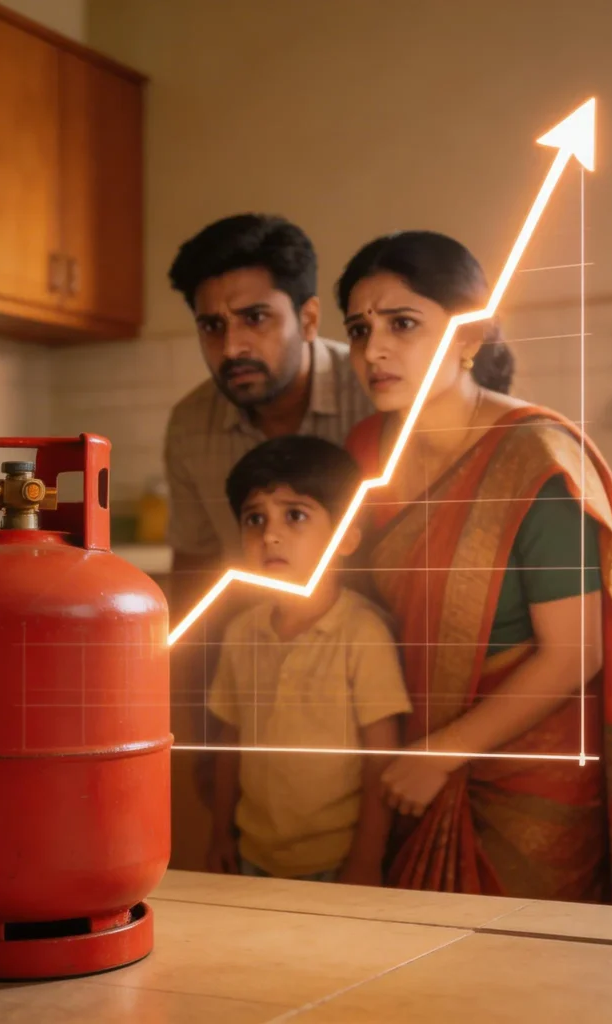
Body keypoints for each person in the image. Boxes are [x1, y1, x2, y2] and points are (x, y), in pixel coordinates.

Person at [336, 229, 612, 909]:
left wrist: (441, 754)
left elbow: (575, 651)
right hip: (400, 761)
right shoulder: (364, 454)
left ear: (470, 336)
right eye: (359, 330)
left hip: (522, 775)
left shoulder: (534, 460)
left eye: (402, 324)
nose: (373, 350)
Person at [164, 214, 373, 757]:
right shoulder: (190, 425)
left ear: (308, 318)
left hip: (378, 665)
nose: (232, 347)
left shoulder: (373, 395)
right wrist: (199, 724)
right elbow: (194, 576)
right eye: (212, 326)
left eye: (254, 318)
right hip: (260, 676)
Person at [205, 436, 411, 884]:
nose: (270, 535)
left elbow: (380, 759)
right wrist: (220, 833)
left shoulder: (362, 634)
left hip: (335, 861)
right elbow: (229, 742)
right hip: (252, 854)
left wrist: (366, 858)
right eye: (254, 518)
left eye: (295, 515)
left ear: (347, 536)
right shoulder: (241, 633)